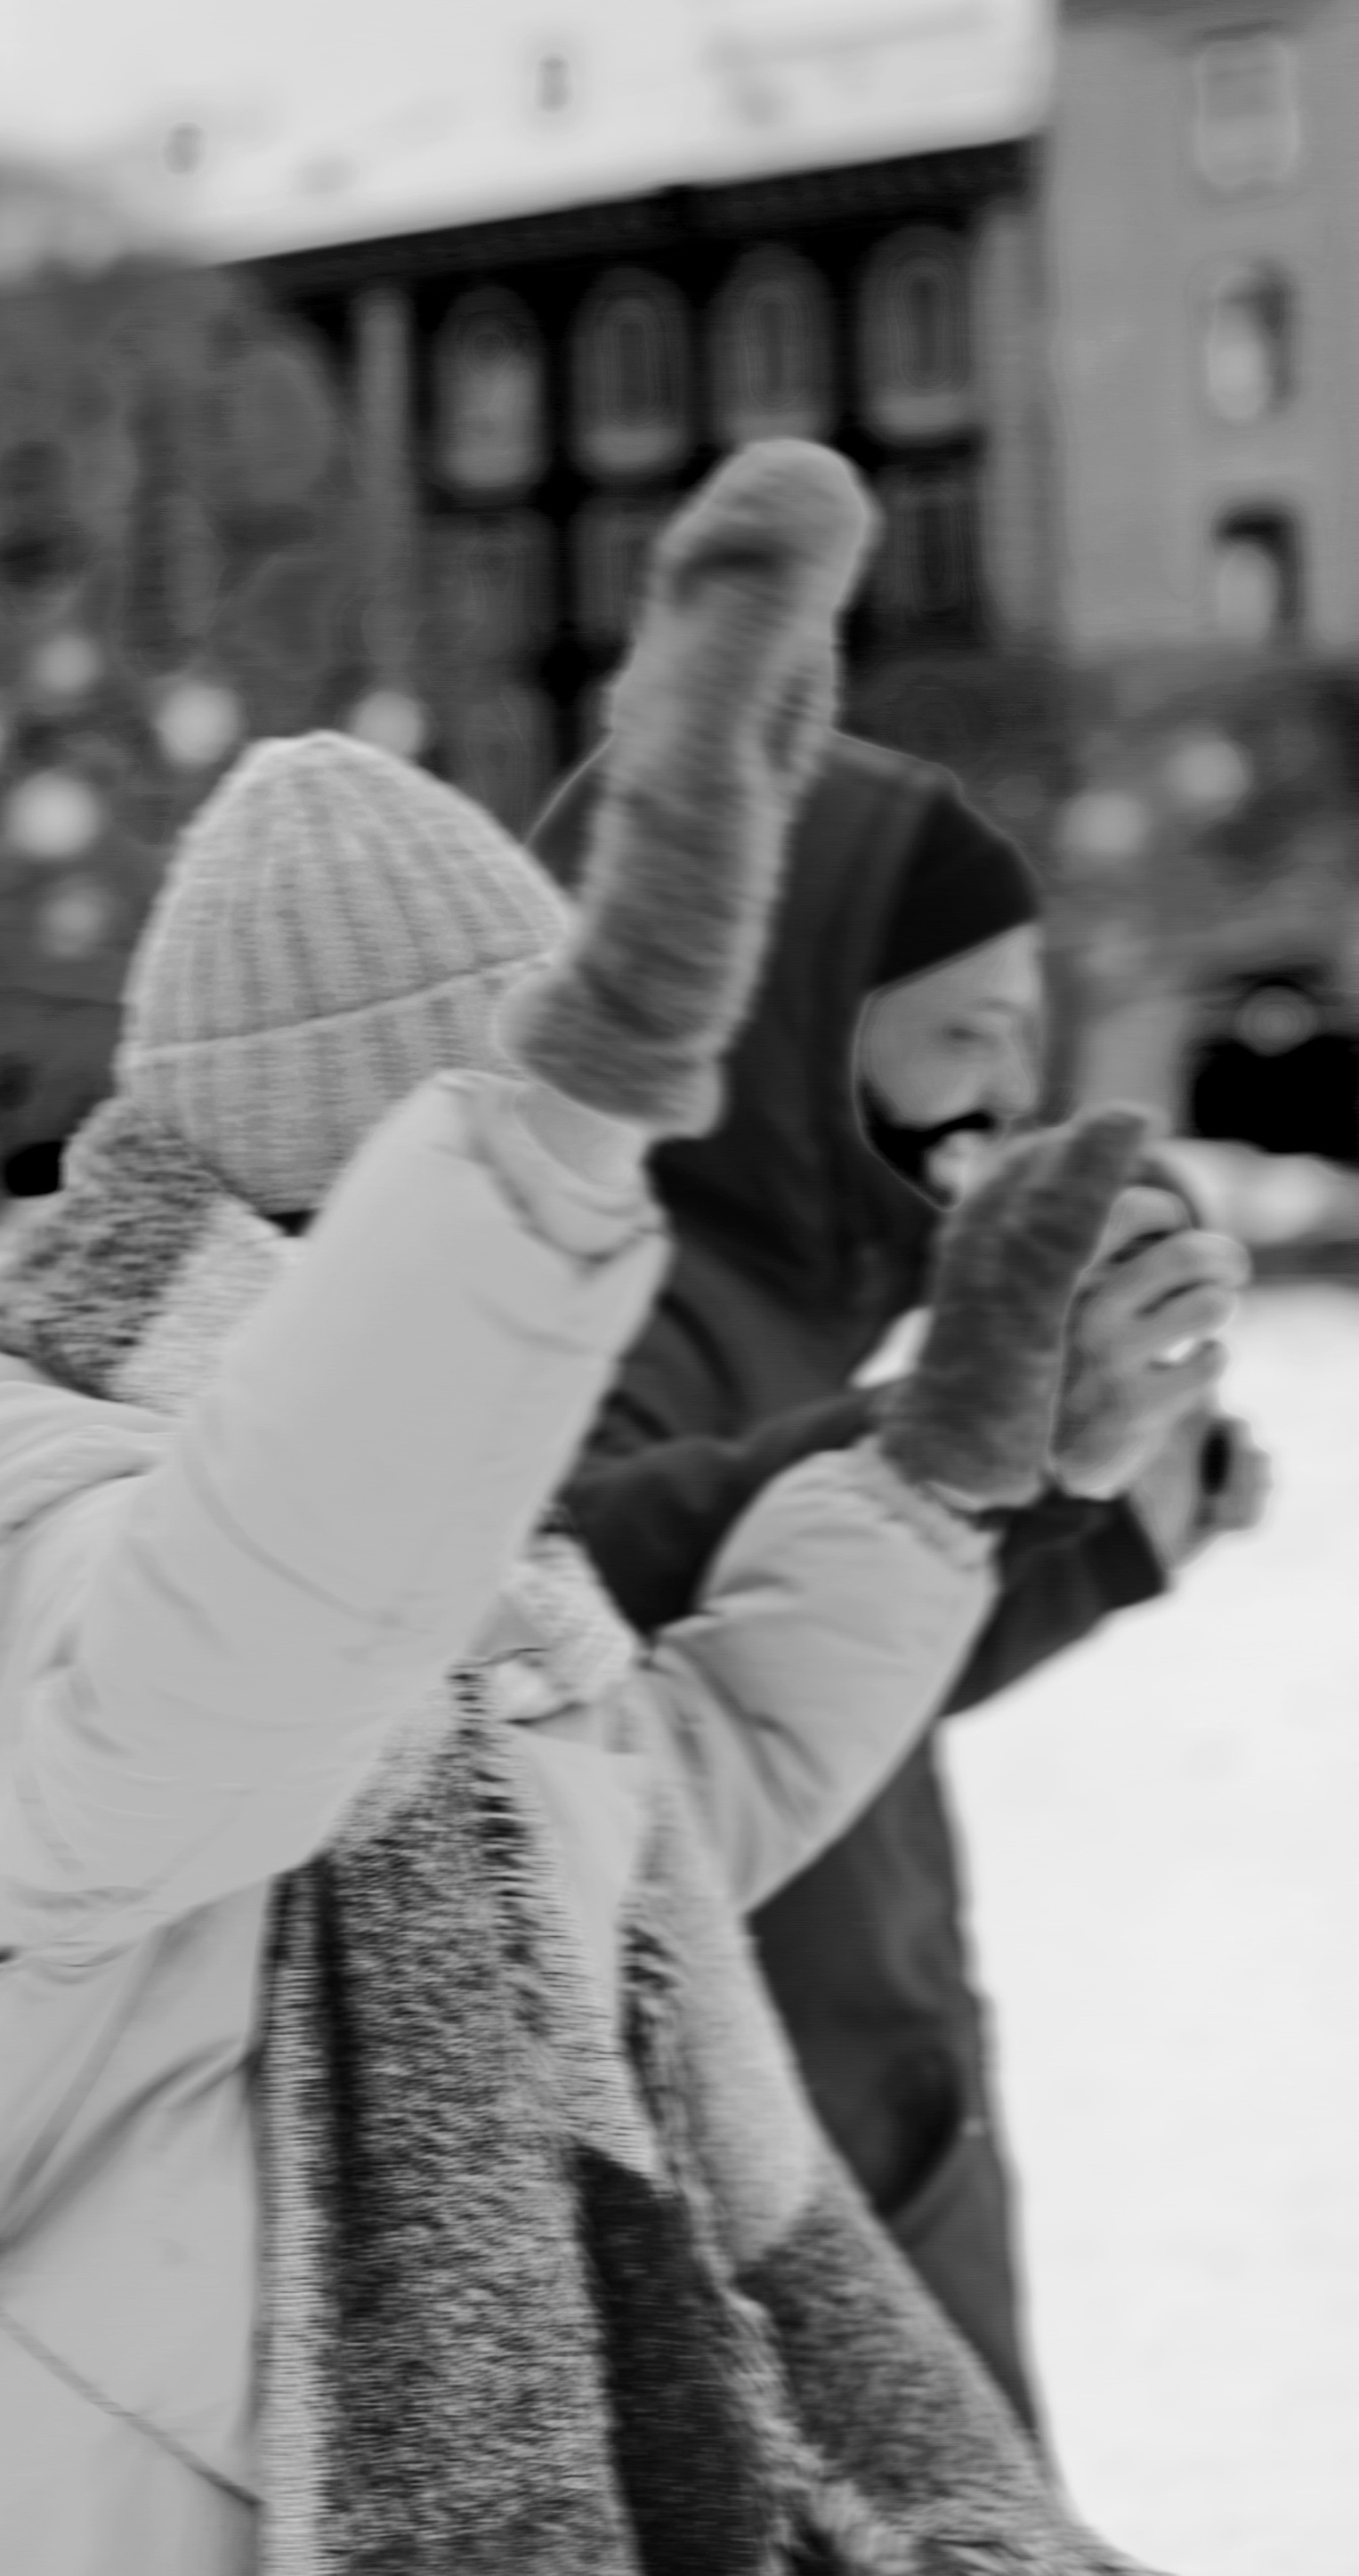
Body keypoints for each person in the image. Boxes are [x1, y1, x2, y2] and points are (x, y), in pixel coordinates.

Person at [0, 444, 1171, 2576]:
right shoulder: (16, 1462)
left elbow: (650, 1812)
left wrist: (933, 1476)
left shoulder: (443, 1535)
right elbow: (216, 1688)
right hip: (141, 2489)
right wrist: (573, 1106)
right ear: (373, 1173)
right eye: (509, 1141)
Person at [532, 726, 1266, 2434]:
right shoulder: (617, 1292)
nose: (1002, 1094)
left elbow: (834, 1644)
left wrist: (1099, 1523)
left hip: (866, 2106)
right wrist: (978, 1422)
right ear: (784, 1014)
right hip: (766, 2157)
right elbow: (572, 1609)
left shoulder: (780, 1299)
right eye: (964, 1032)